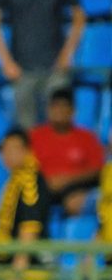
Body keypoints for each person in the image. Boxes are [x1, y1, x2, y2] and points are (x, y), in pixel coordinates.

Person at [0, 0, 86, 132]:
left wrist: (68, 53)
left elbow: (79, 15)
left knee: (59, 127)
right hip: (22, 68)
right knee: (25, 130)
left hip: (55, 68)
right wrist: (6, 61)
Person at [0, 128, 53, 280]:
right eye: (4, 149)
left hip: (30, 275)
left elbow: (29, 232)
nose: (8, 154)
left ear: (27, 151)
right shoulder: (14, 179)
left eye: (14, 149)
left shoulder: (29, 182)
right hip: (9, 266)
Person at [29, 88, 104, 216]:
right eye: (55, 107)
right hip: (41, 189)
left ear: (73, 111)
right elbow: (24, 166)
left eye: (64, 107)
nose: (60, 111)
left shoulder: (87, 137)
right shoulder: (35, 136)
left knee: (76, 203)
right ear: (48, 110)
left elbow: (97, 169)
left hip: (77, 189)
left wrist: (66, 180)